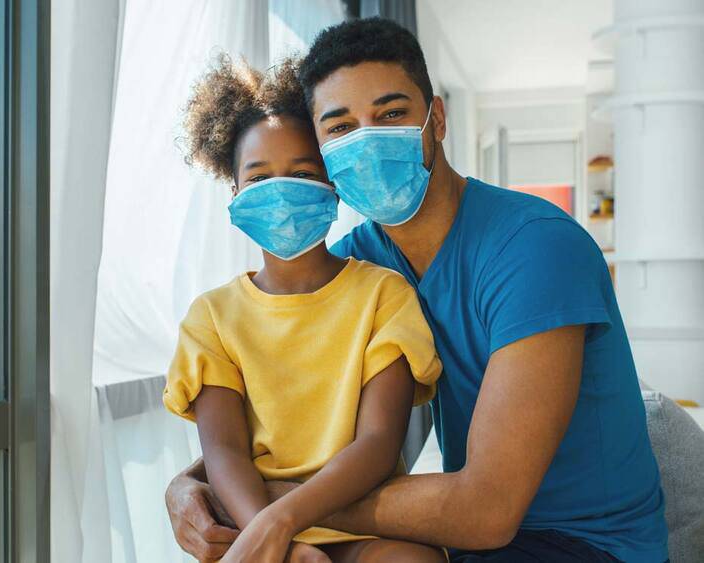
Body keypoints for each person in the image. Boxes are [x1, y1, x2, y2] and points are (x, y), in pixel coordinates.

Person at [166, 18, 669, 563]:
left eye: (391, 114)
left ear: (438, 119)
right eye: (340, 128)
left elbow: (486, 511)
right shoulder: (356, 269)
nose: (367, 141)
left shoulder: (535, 249)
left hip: (584, 545)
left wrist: (277, 509)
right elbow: (268, 423)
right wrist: (187, 486)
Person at [163, 55, 446, 562]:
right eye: (259, 178)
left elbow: (380, 443)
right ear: (234, 195)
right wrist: (281, 546)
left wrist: (285, 520)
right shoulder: (212, 318)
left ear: (332, 184)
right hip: (250, 521)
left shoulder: (383, 295)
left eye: (301, 172)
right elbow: (223, 451)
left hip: (360, 522)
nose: (281, 191)